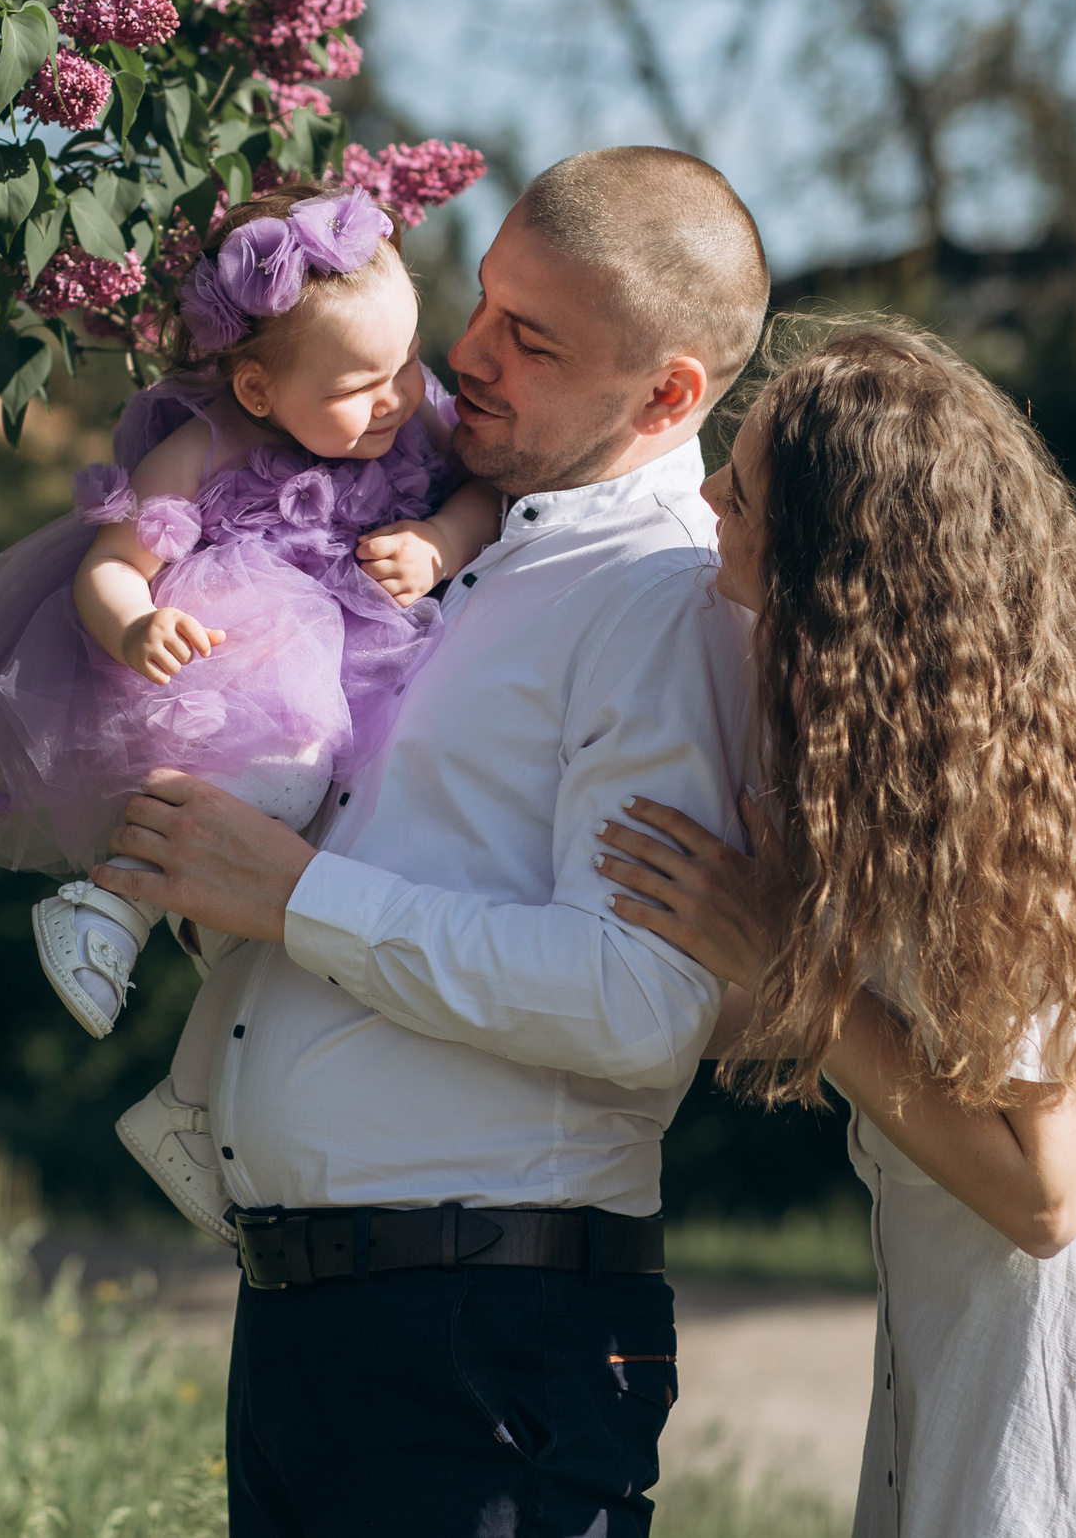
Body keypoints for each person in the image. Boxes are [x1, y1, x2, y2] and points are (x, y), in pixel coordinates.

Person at [90, 147, 769, 1536]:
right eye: (483, 301)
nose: (465, 354)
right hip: (317, 1318)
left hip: (487, 1338)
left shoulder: (660, 603)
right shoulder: (471, 542)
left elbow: (641, 1003)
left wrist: (296, 897)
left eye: (531, 337)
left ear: (670, 392)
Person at [595, 320, 1076, 1537]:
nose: (706, 497)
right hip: (957, 1291)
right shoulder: (867, 751)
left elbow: (1045, 1199)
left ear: (832, 564)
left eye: (739, 490)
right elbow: (816, 1019)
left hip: (1066, 1319)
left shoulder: (1009, 794)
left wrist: (785, 970)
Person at [0, 183, 501, 1241]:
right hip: (244, 660)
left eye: (404, 363)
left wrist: (440, 541)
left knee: (292, 905)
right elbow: (112, 565)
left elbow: (482, 496)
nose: (397, 395)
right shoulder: (204, 448)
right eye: (360, 383)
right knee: (288, 784)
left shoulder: (415, 412)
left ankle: (185, 1107)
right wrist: (132, 628)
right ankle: (110, 897)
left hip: (365, 678)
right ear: (256, 386)